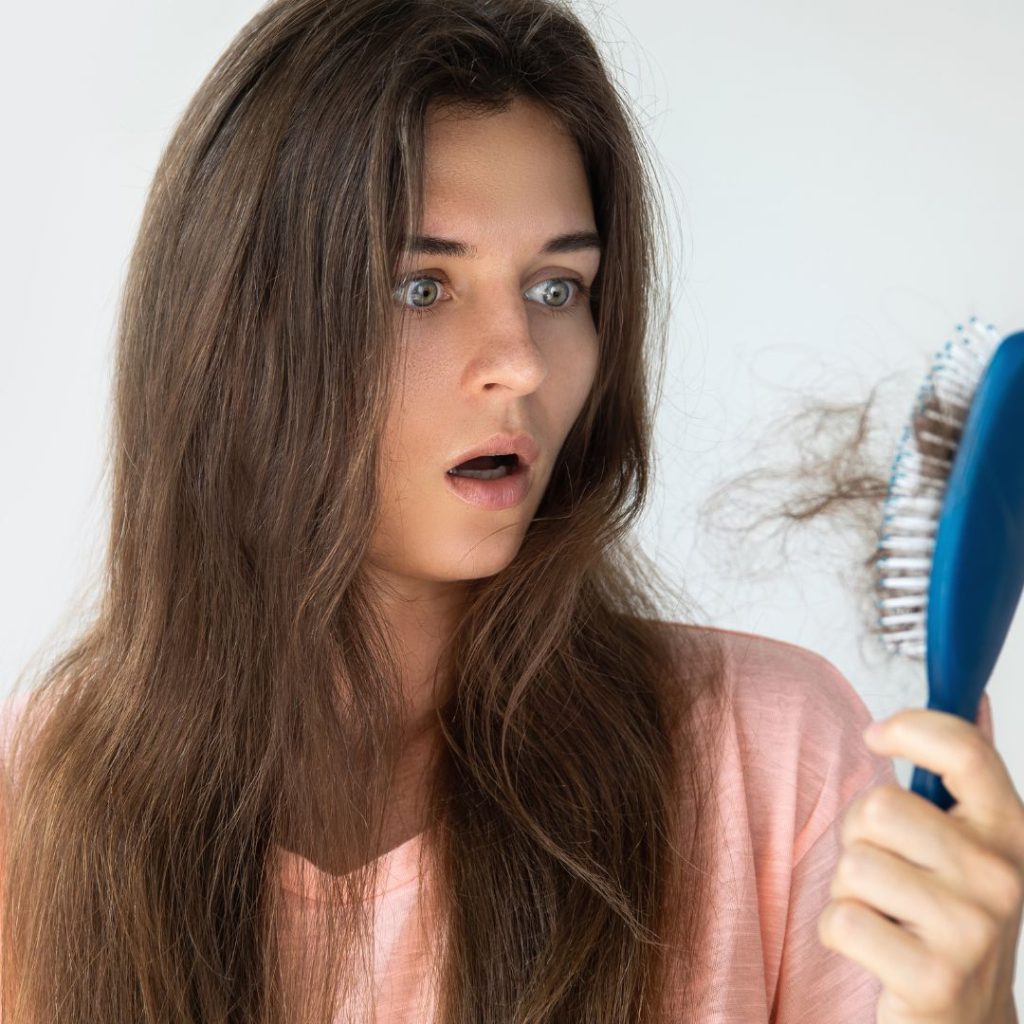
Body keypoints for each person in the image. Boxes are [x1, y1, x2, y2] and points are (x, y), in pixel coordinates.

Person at [3, 0, 996, 1021]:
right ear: (236, 333)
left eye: (557, 287)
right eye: (421, 287)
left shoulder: (766, 760)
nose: (520, 360)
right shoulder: (28, 808)